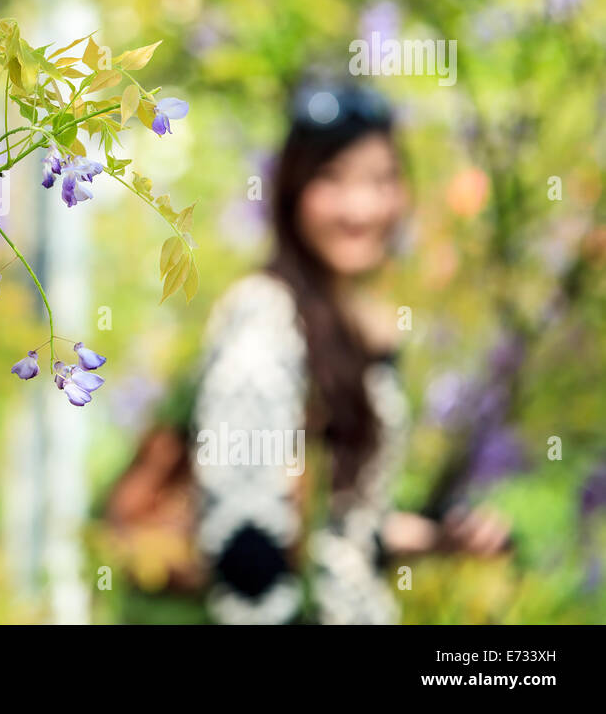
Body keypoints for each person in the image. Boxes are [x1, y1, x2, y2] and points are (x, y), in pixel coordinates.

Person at [193, 81, 510, 624]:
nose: (360, 206)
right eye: (332, 179)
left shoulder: (356, 326)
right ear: (292, 192)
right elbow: (244, 547)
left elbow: (338, 535)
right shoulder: (264, 317)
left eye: (379, 180)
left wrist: (441, 536)